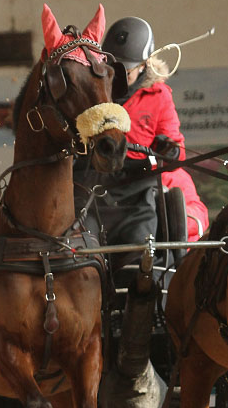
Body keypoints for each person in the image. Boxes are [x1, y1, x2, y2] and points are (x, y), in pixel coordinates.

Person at [74, 16, 208, 260]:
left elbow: (177, 150)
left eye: (126, 71)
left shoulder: (159, 96)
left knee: (148, 241)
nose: (118, 76)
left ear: (144, 65)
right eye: (113, 68)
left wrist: (170, 151)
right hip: (93, 184)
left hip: (137, 186)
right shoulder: (93, 90)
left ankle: (169, 271)